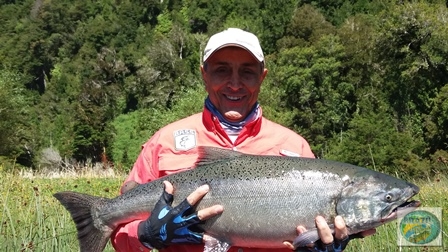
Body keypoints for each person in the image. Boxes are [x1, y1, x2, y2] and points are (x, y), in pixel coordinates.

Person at [111, 28, 374, 252]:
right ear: (204, 74)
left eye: (247, 72)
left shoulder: (296, 146)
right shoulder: (163, 142)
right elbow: (118, 231)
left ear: (263, 76)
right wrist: (145, 234)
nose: (234, 84)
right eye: (222, 70)